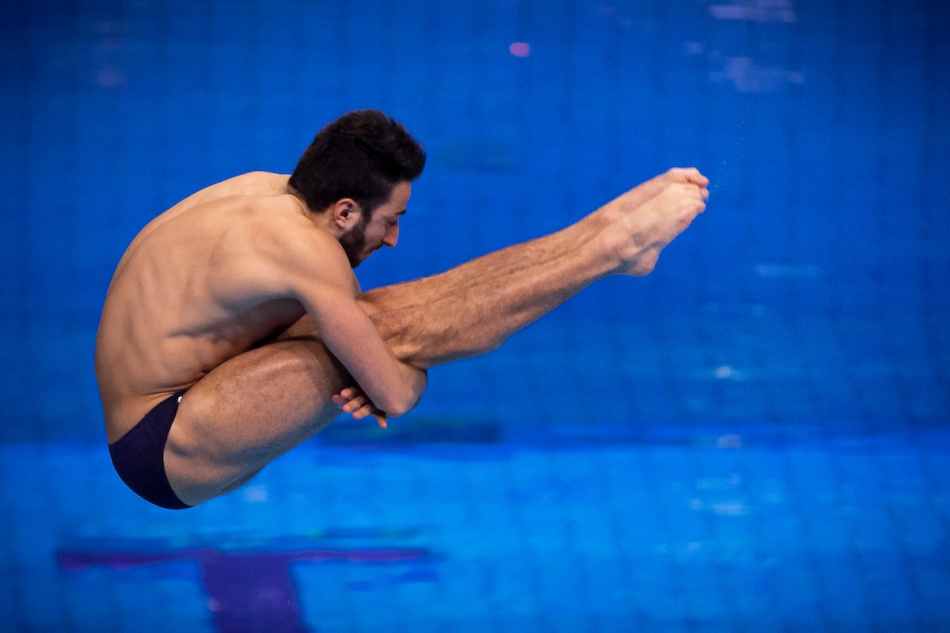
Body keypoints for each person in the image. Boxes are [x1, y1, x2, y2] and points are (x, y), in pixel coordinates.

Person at [95, 109, 709, 510]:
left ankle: (600, 238)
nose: (392, 240)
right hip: (164, 446)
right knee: (388, 329)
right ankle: (609, 248)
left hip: (186, 393)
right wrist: (391, 374)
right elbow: (396, 396)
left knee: (374, 323)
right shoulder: (306, 251)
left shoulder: (261, 189)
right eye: (389, 221)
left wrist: (363, 361)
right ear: (343, 210)